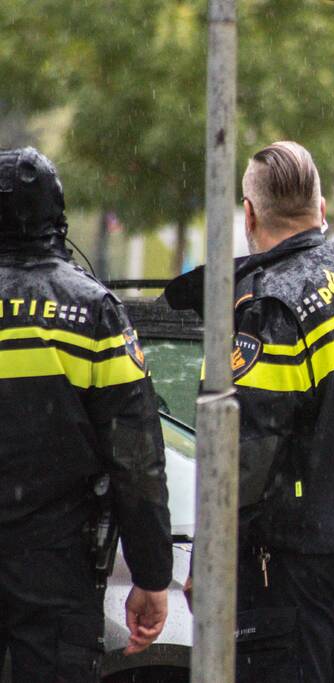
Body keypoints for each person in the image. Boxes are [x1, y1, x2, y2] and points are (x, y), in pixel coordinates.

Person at [168, 141, 334, 682]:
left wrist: (209, 560)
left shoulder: (268, 306)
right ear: (321, 207)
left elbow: (245, 454)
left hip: (294, 566)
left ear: (249, 214)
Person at [0, 148, 173, 681]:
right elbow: (136, 457)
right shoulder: (92, 311)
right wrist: (151, 574)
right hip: (54, 569)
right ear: (59, 214)